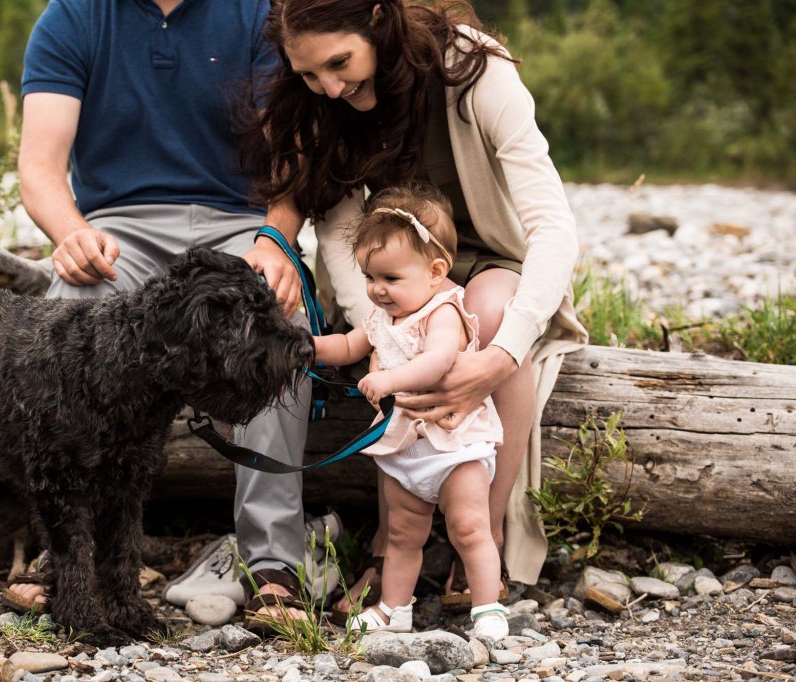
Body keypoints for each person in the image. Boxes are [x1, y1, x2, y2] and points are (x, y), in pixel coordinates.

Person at [241, 0, 588, 619]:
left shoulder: (476, 70)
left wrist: (502, 356)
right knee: (397, 344)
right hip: (396, 276)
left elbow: (552, 227)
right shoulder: (328, 108)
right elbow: (346, 247)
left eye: (340, 63)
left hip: (495, 264)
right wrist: (381, 329)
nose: (330, 86)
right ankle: (392, 545)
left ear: (378, 19)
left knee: (485, 315)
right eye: (309, 74)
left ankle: (482, 535)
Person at [6, 0, 315, 632]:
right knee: (69, 319)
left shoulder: (257, 15)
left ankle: (275, 560)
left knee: (282, 330)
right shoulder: (73, 17)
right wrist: (71, 234)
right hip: (122, 228)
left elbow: (290, 165)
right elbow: (39, 168)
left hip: (241, 224)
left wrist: (276, 241)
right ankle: (68, 555)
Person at [314, 185, 508, 637]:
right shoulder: (382, 317)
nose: (377, 291)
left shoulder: (443, 311)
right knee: (402, 533)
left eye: (390, 279)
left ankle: (488, 606)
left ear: (436, 271)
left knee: (469, 526)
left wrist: (388, 380)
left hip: (452, 445)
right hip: (405, 448)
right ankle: (393, 608)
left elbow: (438, 361)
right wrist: (305, 349)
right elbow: (347, 346)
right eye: (369, 277)